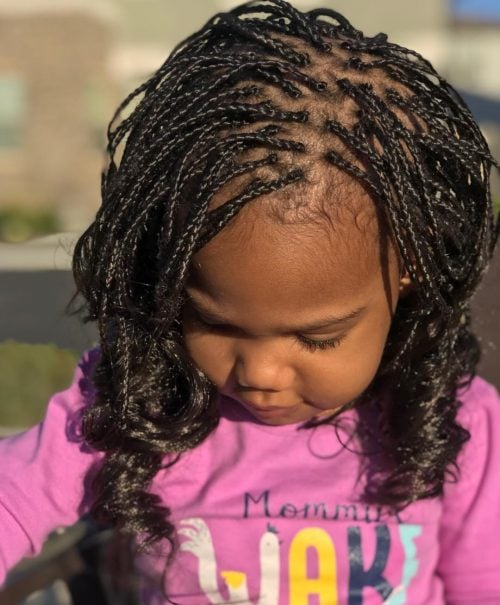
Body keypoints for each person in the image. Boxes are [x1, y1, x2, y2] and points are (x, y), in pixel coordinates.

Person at [1, 0, 499, 602]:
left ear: (410, 273)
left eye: (317, 338)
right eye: (212, 321)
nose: (260, 373)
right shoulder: (139, 403)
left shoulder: (460, 423)